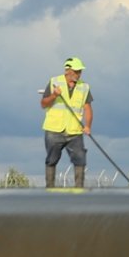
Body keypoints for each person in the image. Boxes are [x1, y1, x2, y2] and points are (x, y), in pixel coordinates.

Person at [39, 57, 93, 188]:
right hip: (54, 129)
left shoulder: (84, 87)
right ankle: (50, 189)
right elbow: (43, 104)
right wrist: (54, 95)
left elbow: (88, 108)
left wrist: (87, 126)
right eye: (76, 71)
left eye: (80, 71)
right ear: (67, 70)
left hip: (75, 131)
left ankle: (79, 189)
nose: (78, 74)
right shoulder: (54, 82)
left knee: (80, 159)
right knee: (51, 160)